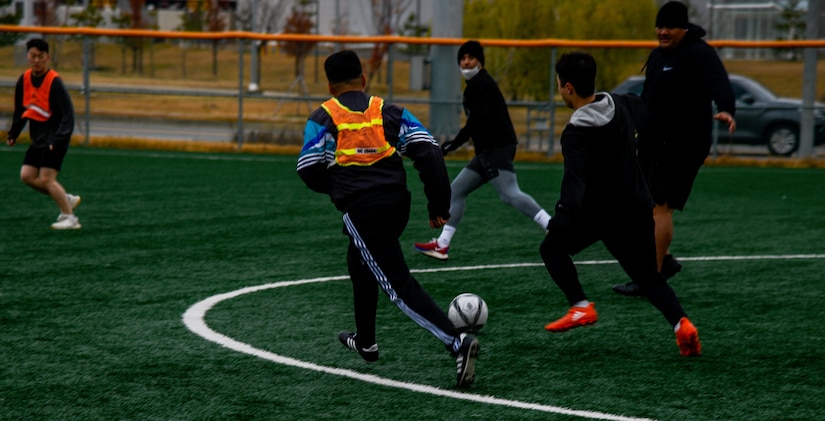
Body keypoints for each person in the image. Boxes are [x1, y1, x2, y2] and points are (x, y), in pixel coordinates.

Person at [296, 50, 480, 388]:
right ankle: (366, 342)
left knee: (398, 285)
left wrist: (340, 188)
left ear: (330, 86)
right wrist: (439, 205)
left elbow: (308, 169)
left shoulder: (323, 116)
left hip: (363, 210)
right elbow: (429, 151)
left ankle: (456, 341)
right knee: (358, 259)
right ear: (363, 80)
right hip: (397, 205)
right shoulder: (388, 111)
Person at [541, 51, 701, 356]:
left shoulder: (575, 133)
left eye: (559, 83)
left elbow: (574, 182)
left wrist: (561, 217)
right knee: (648, 277)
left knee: (551, 248)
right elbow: (652, 118)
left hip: (598, 214)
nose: (559, 88)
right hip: (638, 207)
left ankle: (580, 306)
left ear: (568, 87)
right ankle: (682, 325)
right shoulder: (623, 102)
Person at [613, 1, 736, 296]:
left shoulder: (700, 54)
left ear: (684, 28)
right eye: (659, 26)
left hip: (683, 143)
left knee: (659, 204)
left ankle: (650, 278)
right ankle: (662, 262)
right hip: (653, 140)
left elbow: (720, 84)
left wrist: (727, 108)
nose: (663, 31)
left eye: (669, 27)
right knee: (636, 203)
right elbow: (650, 97)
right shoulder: (657, 56)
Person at [413, 40, 551, 261]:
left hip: (496, 148)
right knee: (456, 191)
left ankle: (551, 225)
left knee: (509, 194)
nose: (466, 62)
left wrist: (451, 145)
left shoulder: (481, 84)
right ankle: (442, 244)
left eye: (471, 58)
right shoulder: (476, 85)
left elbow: (476, 122)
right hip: (487, 150)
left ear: (480, 61)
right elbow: (477, 123)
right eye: (463, 58)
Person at [6, 38, 81, 230]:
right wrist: (14, 132)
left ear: (47, 57)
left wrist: (57, 139)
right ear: (27, 57)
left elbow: (68, 116)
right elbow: (21, 110)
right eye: (33, 56)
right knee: (26, 176)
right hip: (38, 138)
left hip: (55, 139)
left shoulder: (54, 82)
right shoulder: (23, 80)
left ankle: (70, 218)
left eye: (40, 56)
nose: (36, 60)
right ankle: (65, 198)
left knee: (47, 179)